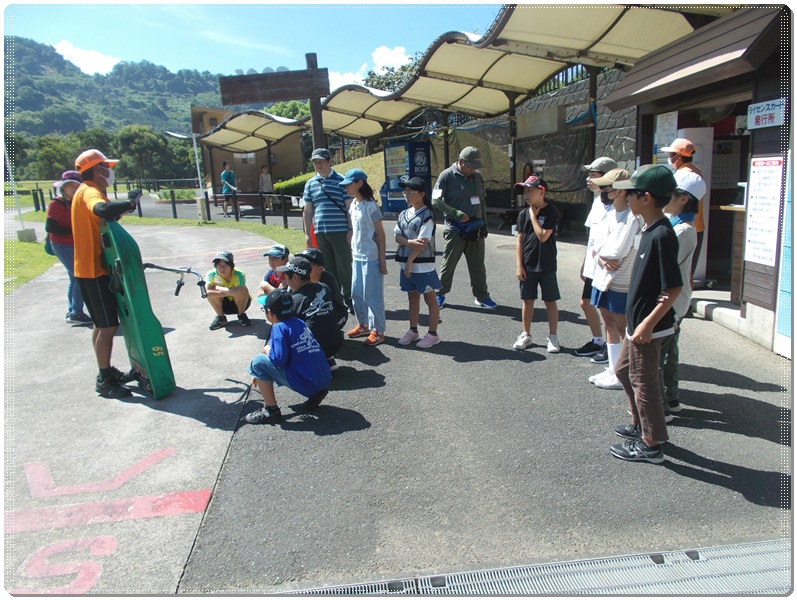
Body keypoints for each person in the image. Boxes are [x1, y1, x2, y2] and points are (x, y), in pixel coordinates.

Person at [609, 165, 682, 464]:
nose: (626, 198)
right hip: (636, 324)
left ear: (646, 198)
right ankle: (642, 425)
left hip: (647, 327)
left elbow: (673, 288)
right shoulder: (648, 229)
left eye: (631, 193)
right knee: (623, 371)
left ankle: (650, 444)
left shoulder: (662, 234)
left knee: (644, 381)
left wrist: (647, 325)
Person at [71, 148, 140, 399]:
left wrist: (127, 205)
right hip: (94, 270)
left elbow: (109, 216)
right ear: (97, 170)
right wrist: (130, 204)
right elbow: (100, 209)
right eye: (106, 167)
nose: (110, 171)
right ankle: (104, 379)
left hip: (88, 269)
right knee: (108, 326)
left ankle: (106, 370)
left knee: (100, 324)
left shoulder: (87, 190)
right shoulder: (89, 191)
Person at [244, 289, 332, 425]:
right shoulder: (299, 322)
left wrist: (266, 349)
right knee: (269, 360)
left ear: (270, 313)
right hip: (323, 379)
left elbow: (278, 360)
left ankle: (271, 411)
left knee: (257, 362)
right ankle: (316, 394)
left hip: (307, 384)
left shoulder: (279, 327)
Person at [586, 168, 638, 391]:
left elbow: (619, 250)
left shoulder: (633, 217)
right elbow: (596, 244)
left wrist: (602, 253)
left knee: (621, 325)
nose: (603, 192)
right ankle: (613, 368)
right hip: (602, 276)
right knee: (607, 321)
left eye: (606, 188)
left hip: (620, 280)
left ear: (621, 190)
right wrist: (601, 255)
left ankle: (625, 372)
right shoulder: (609, 213)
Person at [658, 171, 703, 420]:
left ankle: (662, 407)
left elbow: (668, 268)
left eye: (671, 194)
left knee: (658, 356)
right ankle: (672, 399)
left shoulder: (683, 230)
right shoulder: (678, 224)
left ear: (684, 199)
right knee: (670, 351)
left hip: (671, 301)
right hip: (677, 300)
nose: (666, 198)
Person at [432, 146, 497, 310]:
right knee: (448, 264)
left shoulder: (477, 176)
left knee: (478, 265)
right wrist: (455, 213)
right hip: (455, 228)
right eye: (470, 166)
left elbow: (482, 201)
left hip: (475, 227)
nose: (473, 169)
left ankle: (482, 296)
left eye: (475, 166)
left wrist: (485, 224)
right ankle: (439, 294)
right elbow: (435, 201)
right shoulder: (446, 176)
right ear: (461, 162)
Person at [512, 175, 560, 353]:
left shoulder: (551, 211)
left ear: (542, 192)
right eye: (525, 191)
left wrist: (533, 215)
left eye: (530, 190)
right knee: (527, 300)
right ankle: (526, 334)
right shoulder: (522, 213)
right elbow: (520, 240)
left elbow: (543, 236)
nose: (526, 194)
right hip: (528, 263)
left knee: (550, 300)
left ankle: (553, 336)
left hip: (547, 263)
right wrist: (519, 265)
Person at [576, 157, 617, 362]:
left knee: (608, 311)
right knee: (586, 303)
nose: (588, 179)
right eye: (588, 174)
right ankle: (598, 341)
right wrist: (586, 263)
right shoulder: (597, 201)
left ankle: (613, 348)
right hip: (594, 265)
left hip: (608, 266)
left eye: (593, 175)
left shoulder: (620, 204)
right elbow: (592, 237)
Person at [340, 169, 387, 346]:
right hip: (357, 256)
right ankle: (363, 324)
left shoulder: (371, 206)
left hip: (371, 257)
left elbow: (380, 234)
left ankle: (378, 330)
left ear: (359, 183)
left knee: (372, 295)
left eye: (348, 184)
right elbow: (355, 227)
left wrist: (382, 260)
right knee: (356, 292)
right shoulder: (353, 204)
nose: (346, 188)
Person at [301, 148, 353, 308]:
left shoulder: (342, 180)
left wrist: (351, 229)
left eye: (321, 161)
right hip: (320, 232)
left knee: (344, 266)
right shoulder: (310, 183)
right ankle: (334, 298)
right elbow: (308, 210)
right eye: (315, 162)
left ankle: (349, 297)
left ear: (330, 161)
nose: (318, 165)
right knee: (328, 268)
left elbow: (349, 206)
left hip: (340, 231)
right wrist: (307, 234)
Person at [394, 176, 442, 349]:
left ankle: (433, 333)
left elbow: (421, 244)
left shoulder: (427, 215)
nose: (406, 195)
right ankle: (413, 330)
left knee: (430, 299)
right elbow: (397, 236)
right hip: (406, 265)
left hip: (423, 266)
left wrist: (409, 261)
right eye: (405, 192)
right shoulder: (403, 214)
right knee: (412, 298)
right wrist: (409, 243)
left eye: (410, 192)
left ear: (421, 194)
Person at [278, 256, 344, 370]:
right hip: (336, 342)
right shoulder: (324, 287)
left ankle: (309, 366)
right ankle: (326, 358)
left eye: (286, 277)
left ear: (295, 277)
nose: (285, 281)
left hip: (313, 348)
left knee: (283, 329)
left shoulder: (294, 300)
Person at [46, 169, 92, 325]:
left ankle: (74, 311)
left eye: (76, 186)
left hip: (74, 244)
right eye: (69, 186)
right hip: (61, 244)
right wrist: (75, 232)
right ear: (63, 187)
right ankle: (76, 312)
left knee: (75, 277)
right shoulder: (57, 204)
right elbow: (50, 227)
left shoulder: (75, 202)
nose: (73, 189)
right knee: (79, 276)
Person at [661, 138, 706, 280]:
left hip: (682, 222)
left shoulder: (683, 175)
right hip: (696, 224)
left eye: (671, 155)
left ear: (678, 156)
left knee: (681, 272)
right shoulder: (696, 172)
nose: (669, 158)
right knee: (687, 271)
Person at [295, 247, 348, 330]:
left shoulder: (328, 280)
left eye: (307, 265)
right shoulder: (298, 278)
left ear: (320, 269)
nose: (303, 267)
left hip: (332, 313)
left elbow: (332, 306)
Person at [205, 251, 252, 330]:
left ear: (232, 265)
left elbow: (239, 292)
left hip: (240, 304)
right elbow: (206, 293)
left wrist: (218, 288)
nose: (222, 268)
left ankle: (241, 315)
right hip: (222, 304)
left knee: (243, 290)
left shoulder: (239, 274)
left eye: (225, 265)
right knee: (210, 293)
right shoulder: (211, 274)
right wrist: (231, 292)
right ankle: (221, 317)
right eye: (219, 265)